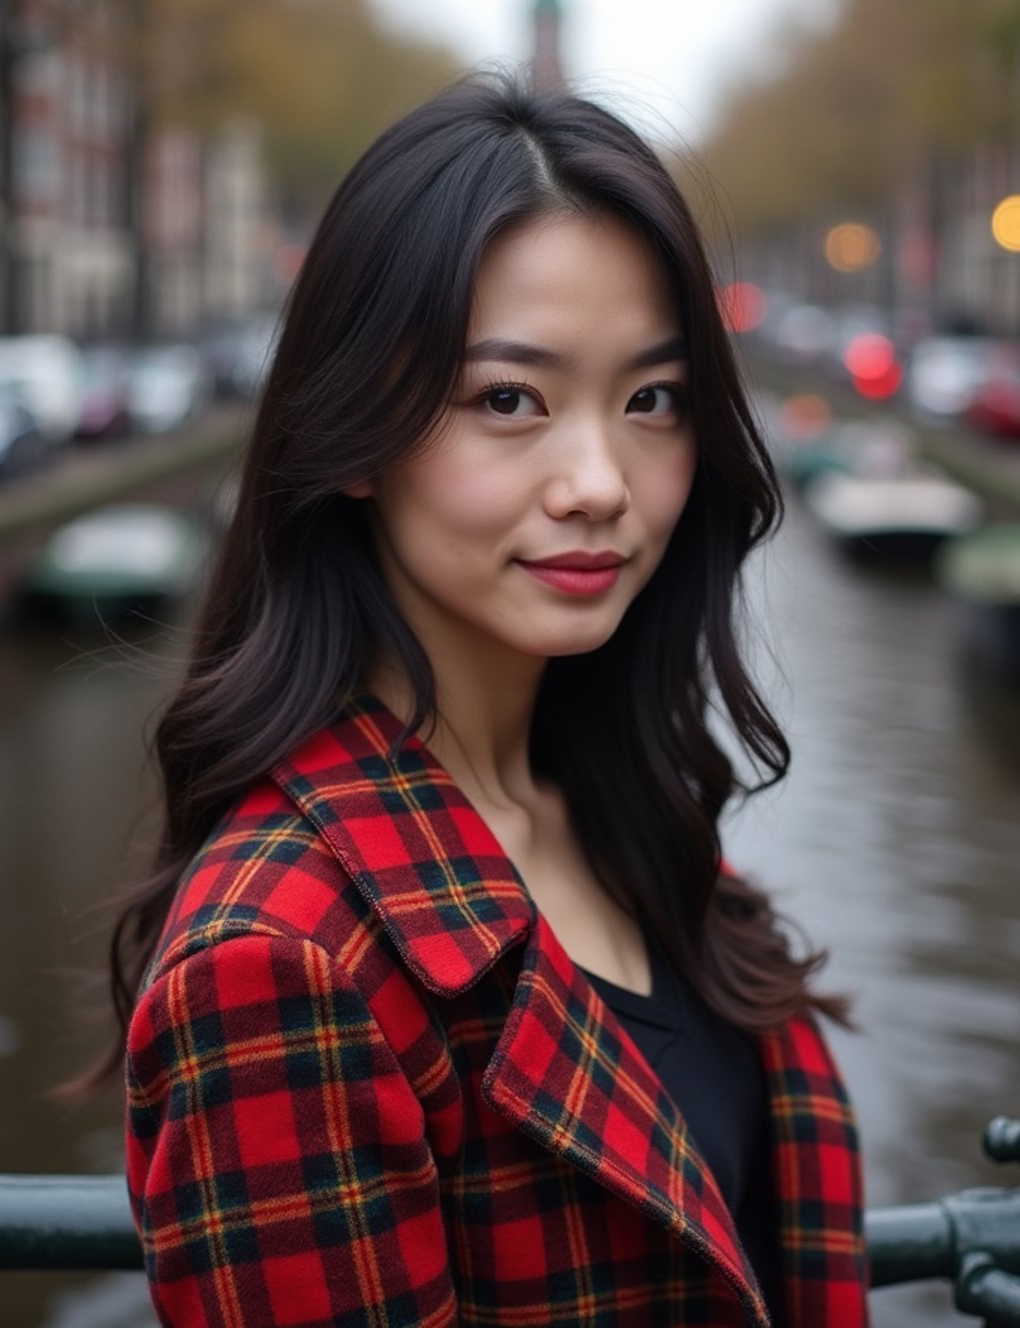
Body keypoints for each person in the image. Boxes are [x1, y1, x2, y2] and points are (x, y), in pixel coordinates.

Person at [113, 73, 869, 1327]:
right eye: (507, 399)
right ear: (353, 435)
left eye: (651, 400)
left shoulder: (624, 811)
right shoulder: (275, 964)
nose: (598, 483)